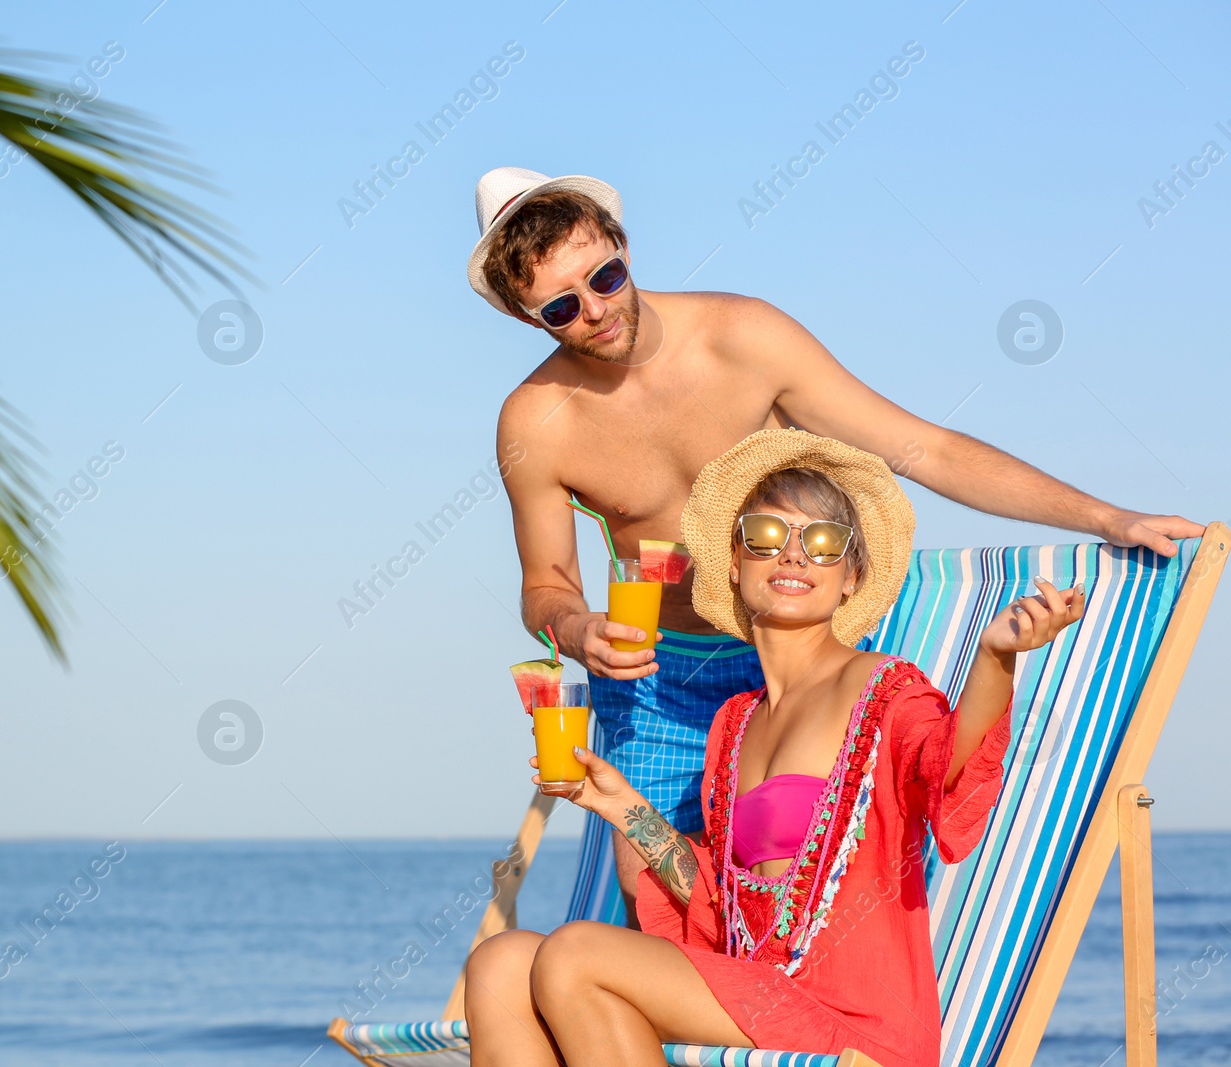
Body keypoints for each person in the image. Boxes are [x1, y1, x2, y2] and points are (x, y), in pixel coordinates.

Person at [469, 166, 1197, 917]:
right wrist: (577, 625)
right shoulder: (535, 420)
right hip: (660, 682)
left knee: (816, 896)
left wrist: (1106, 518)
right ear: (534, 321)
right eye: (562, 305)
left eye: (605, 276)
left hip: (802, 659)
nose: (596, 309)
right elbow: (545, 583)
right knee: (660, 903)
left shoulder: (745, 338)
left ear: (624, 247)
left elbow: (925, 450)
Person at [464, 429, 1084, 1067]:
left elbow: (948, 763)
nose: (793, 556)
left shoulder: (881, 688)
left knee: (575, 953)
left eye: (822, 542)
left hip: (852, 1020)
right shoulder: (735, 723)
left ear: (851, 578)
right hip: (757, 994)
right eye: (764, 536)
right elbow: (720, 902)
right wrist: (621, 805)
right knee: (501, 965)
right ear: (734, 565)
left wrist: (994, 657)